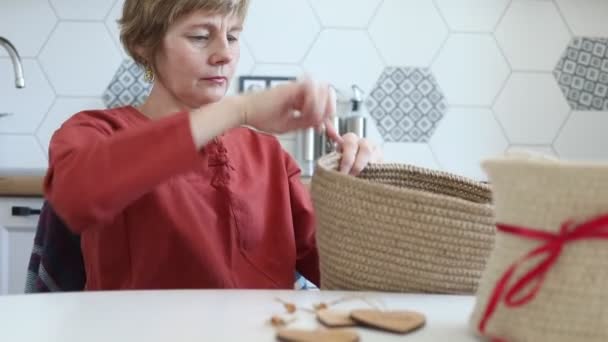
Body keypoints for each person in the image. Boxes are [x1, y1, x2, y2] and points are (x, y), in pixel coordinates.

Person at [43, 0, 382, 291]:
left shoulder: (269, 157)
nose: (224, 54)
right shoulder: (97, 132)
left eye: (233, 36)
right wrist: (239, 108)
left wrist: (362, 192)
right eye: (200, 37)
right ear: (144, 43)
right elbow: (75, 194)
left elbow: (347, 277)